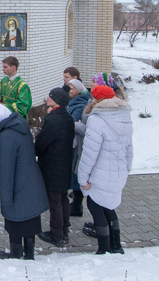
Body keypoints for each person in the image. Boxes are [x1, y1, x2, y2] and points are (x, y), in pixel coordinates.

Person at [0, 103, 48, 260]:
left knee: (15, 221)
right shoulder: (20, 126)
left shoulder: (7, 137)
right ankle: (29, 254)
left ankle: (15, 255)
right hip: (32, 181)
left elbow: (7, 171)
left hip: (18, 186)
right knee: (31, 220)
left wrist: (6, 198)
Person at [77, 85, 133, 255]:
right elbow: (129, 148)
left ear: (98, 99)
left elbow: (90, 153)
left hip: (100, 172)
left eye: (94, 97)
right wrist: (126, 169)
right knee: (109, 207)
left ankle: (104, 248)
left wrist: (83, 178)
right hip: (119, 171)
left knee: (95, 206)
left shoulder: (97, 119)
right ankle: (117, 245)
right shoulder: (125, 116)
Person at [0, 56, 32, 187]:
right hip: (0, 120)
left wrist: (3, 108)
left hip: (13, 121)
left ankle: (8, 180)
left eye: (5, 67)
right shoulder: (3, 81)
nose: (3, 69)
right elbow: (0, 98)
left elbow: (23, 106)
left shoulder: (22, 86)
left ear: (13, 68)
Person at [34, 87, 75, 247]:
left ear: (56, 101)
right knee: (63, 198)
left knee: (55, 201)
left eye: (50, 96)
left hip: (52, 165)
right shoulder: (67, 117)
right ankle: (64, 230)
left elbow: (42, 143)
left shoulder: (53, 120)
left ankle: (56, 234)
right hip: (64, 163)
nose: (47, 98)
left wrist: (34, 151)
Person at [66, 78, 90, 216]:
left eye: (72, 88)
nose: (69, 90)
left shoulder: (79, 104)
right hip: (73, 141)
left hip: (76, 143)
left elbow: (72, 123)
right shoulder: (72, 102)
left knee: (76, 173)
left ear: (79, 91)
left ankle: (76, 206)